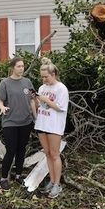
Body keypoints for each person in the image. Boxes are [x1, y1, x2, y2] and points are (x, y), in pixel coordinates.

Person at [0, 57, 36, 190]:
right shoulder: (5, 83)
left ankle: (18, 176)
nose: (21, 68)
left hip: (26, 121)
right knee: (11, 150)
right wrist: (2, 107)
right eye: (18, 66)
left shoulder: (27, 82)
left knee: (21, 149)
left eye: (23, 66)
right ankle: (3, 179)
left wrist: (35, 117)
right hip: (10, 122)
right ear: (13, 68)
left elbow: (32, 100)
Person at [34, 57, 69, 198]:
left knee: (55, 154)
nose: (44, 80)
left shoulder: (61, 88)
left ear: (53, 74)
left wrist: (46, 100)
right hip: (42, 123)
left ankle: (57, 184)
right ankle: (51, 180)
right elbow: (40, 106)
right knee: (47, 153)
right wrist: (36, 100)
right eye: (42, 77)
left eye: (46, 77)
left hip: (54, 125)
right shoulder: (42, 88)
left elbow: (61, 108)